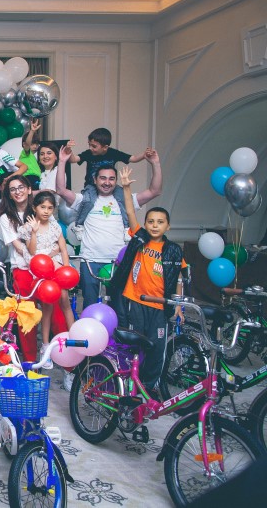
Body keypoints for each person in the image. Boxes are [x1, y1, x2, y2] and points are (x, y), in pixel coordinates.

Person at [55, 144, 163, 311]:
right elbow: (61, 190)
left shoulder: (126, 200)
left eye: (111, 179)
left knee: (118, 308)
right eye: (103, 178)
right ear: (95, 180)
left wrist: (155, 163)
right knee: (90, 305)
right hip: (90, 260)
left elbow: (154, 191)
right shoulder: (85, 199)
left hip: (117, 261)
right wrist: (62, 161)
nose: (107, 182)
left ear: (116, 181)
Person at [110, 166, 185, 395]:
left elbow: (179, 279)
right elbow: (130, 212)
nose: (154, 225)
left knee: (156, 348)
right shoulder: (140, 238)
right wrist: (126, 187)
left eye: (160, 222)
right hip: (136, 301)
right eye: (151, 221)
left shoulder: (173, 250)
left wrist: (178, 305)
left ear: (168, 226)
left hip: (160, 307)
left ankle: (149, 386)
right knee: (134, 345)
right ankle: (131, 385)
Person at [18, 192, 74, 349]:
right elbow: (32, 251)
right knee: (47, 307)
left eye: (50, 208)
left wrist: (66, 269)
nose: (46, 211)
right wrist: (34, 232)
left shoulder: (55, 226)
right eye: (42, 207)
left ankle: (74, 338)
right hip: (41, 270)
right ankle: (45, 344)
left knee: (65, 300)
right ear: (34, 207)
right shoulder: (27, 228)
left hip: (57, 267)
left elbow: (63, 249)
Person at [0, 175, 38, 362]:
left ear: (29, 189)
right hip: (22, 269)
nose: (18, 191)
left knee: (55, 311)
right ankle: (30, 360)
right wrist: (35, 258)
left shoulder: (39, 210)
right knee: (26, 316)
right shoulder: (6, 218)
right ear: (9, 194)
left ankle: (64, 362)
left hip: (45, 269)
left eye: (21, 187)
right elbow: (19, 248)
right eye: (13, 189)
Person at [65, 127, 147, 187]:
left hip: (109, 187)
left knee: (121, 196)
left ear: (105, 147)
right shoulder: (88, 153)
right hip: (91, 187)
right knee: (88, 201)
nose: (90, 148)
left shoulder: (113, 153)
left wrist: (144, 154)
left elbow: (133, 158)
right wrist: (68, 149)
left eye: (94, 146)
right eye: (89, 145)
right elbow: (73, 160)